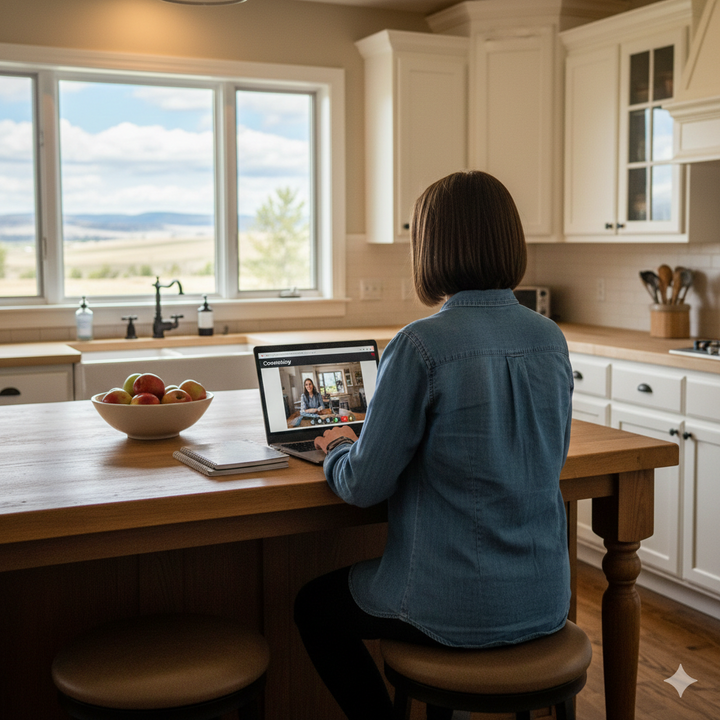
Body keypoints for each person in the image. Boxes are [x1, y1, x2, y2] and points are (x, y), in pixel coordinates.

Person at [294, 170, 574, 720]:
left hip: (450, 605)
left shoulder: (421, 344)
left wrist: (335, 448)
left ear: (431, 248)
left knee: (313, 608)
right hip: (545, 601)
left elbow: (362, 484)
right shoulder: (550, 338)